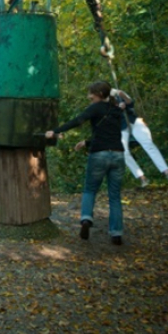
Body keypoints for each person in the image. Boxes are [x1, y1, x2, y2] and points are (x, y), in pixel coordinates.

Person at [45, 80, 126, 245]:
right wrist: (87, 142)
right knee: (115, 197)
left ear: (100, 94)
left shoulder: (96, 108)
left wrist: (55, 131)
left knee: (90, 190)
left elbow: (77, 121)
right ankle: (116, 233)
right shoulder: (117, 111)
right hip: (118, 155)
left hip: (99, 155)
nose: (89, 96)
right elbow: (108, 132)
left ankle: (86, 219)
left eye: (91, 93)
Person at [110, 88, 168, 187]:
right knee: (123, 152)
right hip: (121, 128)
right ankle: (142, 178)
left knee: (148, 144)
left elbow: (129, 102)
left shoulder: (117, 94)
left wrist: (122, 95)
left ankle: (167, 172)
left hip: (134, 122)